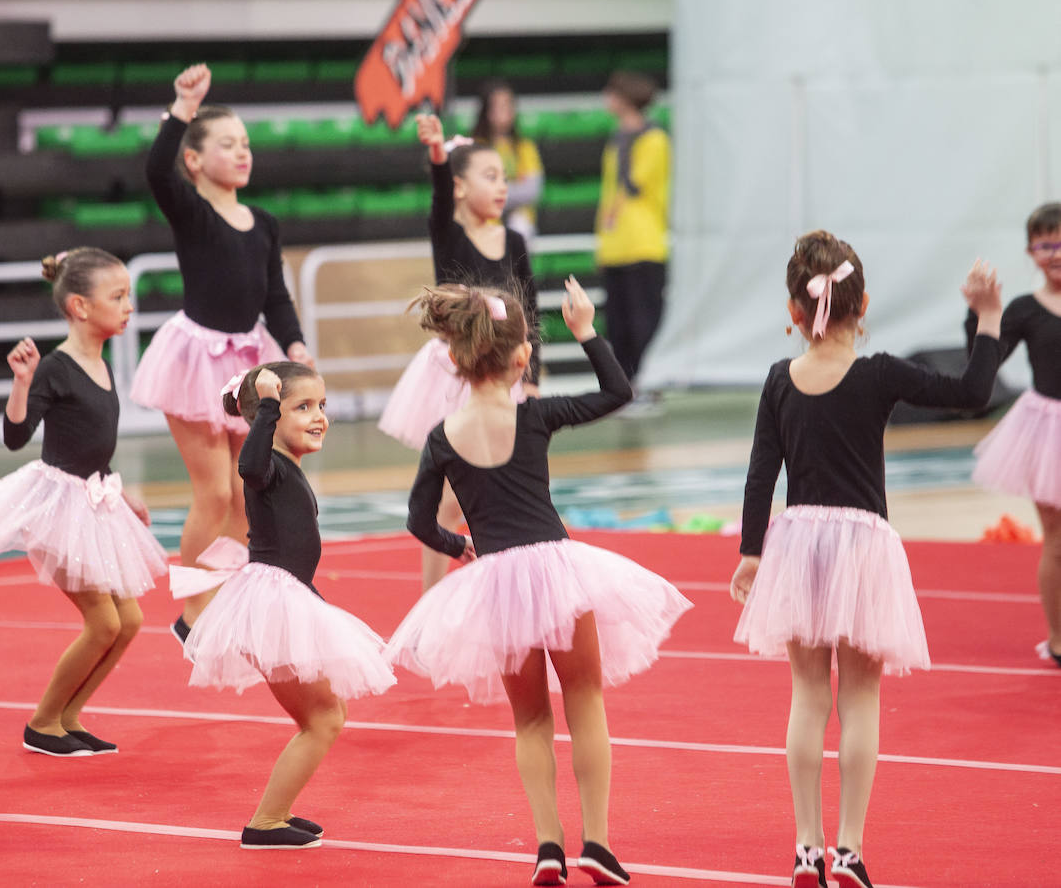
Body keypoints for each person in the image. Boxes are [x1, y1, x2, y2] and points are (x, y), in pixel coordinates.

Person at [386, 280, 690, 886]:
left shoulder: (443, 437)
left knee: (530, 721)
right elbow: (617, 392)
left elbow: (420, 519)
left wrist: (459, 547)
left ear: (455, 358)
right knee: (586, 699)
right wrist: (586, 331)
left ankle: (547, 844)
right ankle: (597, 843)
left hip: (497, 580)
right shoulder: (537, 413)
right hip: (555, 569)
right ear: (523, 356)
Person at [729, 231, 1003, 888]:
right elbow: (972, 392)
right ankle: (848, 850)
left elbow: (761, 474)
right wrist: (987, 317)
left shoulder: (778, 379)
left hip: (797, 542)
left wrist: (749, 552)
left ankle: (805, 847)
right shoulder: (880, 372)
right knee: (860, 696)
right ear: (865, 304)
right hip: (861, 544)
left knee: (807, 696)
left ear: (795, 313)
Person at [0, 248, 168, 757]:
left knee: (129, 622)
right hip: (60, 508)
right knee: (104, 622)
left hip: (95, 499)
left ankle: (69, 716)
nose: (129, 305)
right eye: (118, 296)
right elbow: (16, 436)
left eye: (128, 294)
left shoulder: (102, 362)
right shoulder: (57, 368)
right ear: (80, 308)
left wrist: (118, 488)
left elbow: (90, 443)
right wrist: (21, 383)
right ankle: (43, 722)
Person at [129, 63, 312, 645]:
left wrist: (297, 351)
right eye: (227, 144)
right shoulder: (193, 212)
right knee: (212, 490)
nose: (242, 153)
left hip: (250, 359)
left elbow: (275, 295)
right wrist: (182, 108)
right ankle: (192, 612)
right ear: (195, 159)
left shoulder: (263, 222)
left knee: (244, 487)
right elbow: (156, 171)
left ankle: (227, 595)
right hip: (195, 360)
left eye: (246, 144)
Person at [182, 362, 395, 849]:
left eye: (321, 406)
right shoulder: (268, 466)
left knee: (321, 715)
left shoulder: (287, 467)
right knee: (325, 719)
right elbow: (249, 466)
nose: (319, 416)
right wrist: (269, 409)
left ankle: (275, 815)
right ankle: (266, 822)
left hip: (284, 598)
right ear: (270, 417)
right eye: (303, 407)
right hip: (270, 601)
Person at [378, 112, 540, 591]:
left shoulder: (513, 240)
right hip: (451, 372)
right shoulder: (448, 233)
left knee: (498, 486)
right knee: (448, 494)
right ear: (461, 187)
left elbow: (527, 306)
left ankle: (499, 581)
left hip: (500, 375)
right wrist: (437, 156)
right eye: (490, 176)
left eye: (505, 177)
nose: (502, 185)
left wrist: (531, 372)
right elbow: (436, 195)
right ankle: (432, 596)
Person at [968, 202, 1061, 668]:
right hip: (1048, 430)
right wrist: (978, 313)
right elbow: (983, 362)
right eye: (1045, 243)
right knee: (1057, 536)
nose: (1055, 252)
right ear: (1031, 251)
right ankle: (1059, 638)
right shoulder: (1025, 309)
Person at [593, 71, 670, 404]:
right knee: (617, 322)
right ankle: (624, 386)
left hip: (643, 243)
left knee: (644, 321)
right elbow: (609, 192)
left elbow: (633, 183)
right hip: (615, 245)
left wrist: (631, 135)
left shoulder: (654, 139)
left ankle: (647, 383)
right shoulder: (617, 140)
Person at [471, 79, 545, 244]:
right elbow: (477, 191)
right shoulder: (476, 148)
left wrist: (498, 195)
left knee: (520, 228)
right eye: (500, 106)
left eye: (509, 105)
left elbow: (533, 190)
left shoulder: (524, 147)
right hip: (485, 221)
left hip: (519, 220)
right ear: (487, 111)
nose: (506, 111)